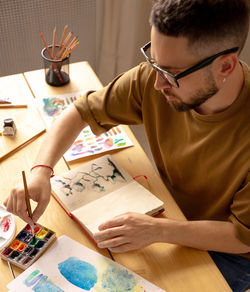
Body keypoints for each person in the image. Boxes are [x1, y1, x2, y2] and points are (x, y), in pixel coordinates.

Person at [5, 0, 250, 291]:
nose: (158, 84)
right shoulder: (155, 78)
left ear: (225, 65)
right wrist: (40, 172)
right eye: (153, 61)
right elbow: (79, 112)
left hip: (229, 251)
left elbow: (241, 236)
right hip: (167, 213)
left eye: (171, 73)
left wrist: (159, 230)